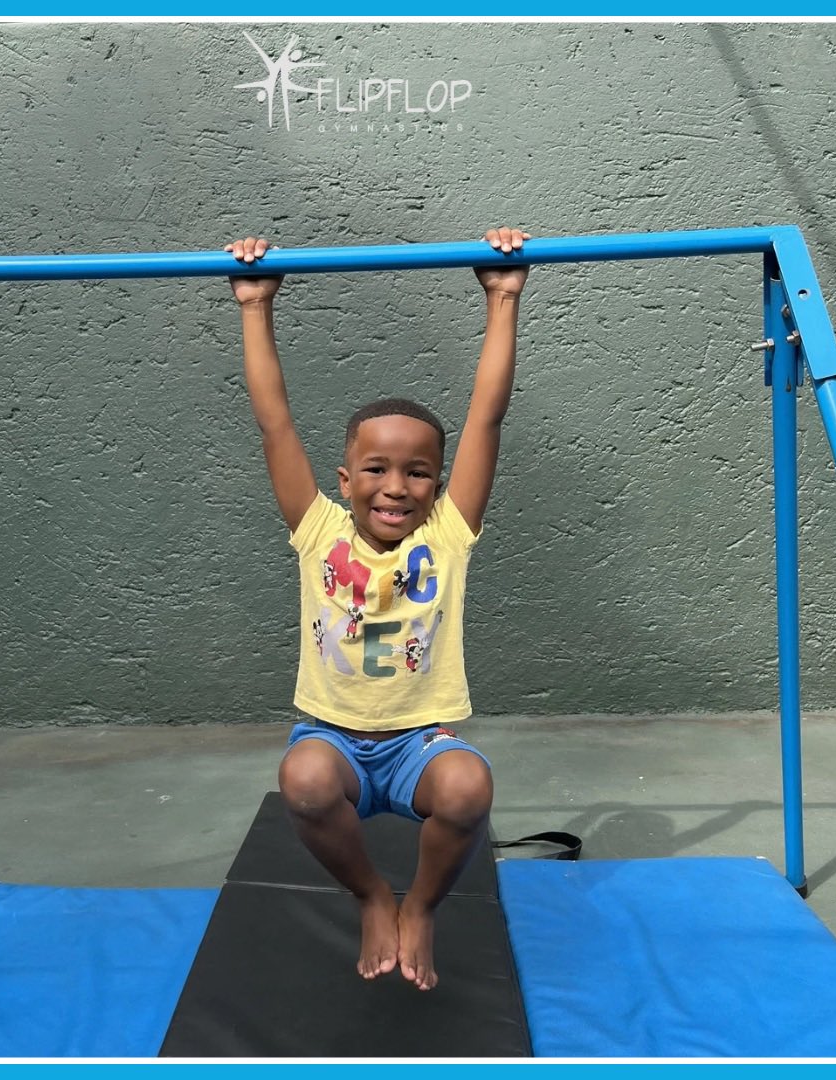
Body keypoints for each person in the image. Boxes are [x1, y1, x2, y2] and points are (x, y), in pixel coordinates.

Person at [225, 227, 530, 991]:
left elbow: (486, 420)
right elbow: (274, 422)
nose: (396, 486)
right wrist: (255, 307)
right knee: (302, 780)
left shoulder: (447, 535)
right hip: (333, 739)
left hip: (418, 745)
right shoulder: (318, 531)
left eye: (418, 472)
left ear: (438, 485)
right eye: (376, 469)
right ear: (345, 479)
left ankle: (420, 905)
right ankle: (371, 896)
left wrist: (502, 299)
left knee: (468, 789)